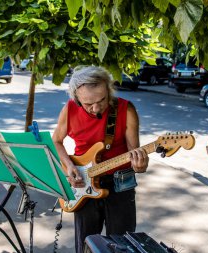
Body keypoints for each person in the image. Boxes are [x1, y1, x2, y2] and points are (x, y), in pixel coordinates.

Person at [52, 66, 149, 253]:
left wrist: (140, 165)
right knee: (86, 244)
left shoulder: (125, 109)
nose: (96, 108)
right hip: (83, 183)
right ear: (76, 98)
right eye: (88, 104)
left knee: (123, 245)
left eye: (102, 100)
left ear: (108, 89)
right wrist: (69, 165)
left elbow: (134, 152)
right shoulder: (70, 109)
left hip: (121, 183)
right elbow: (56, 140)